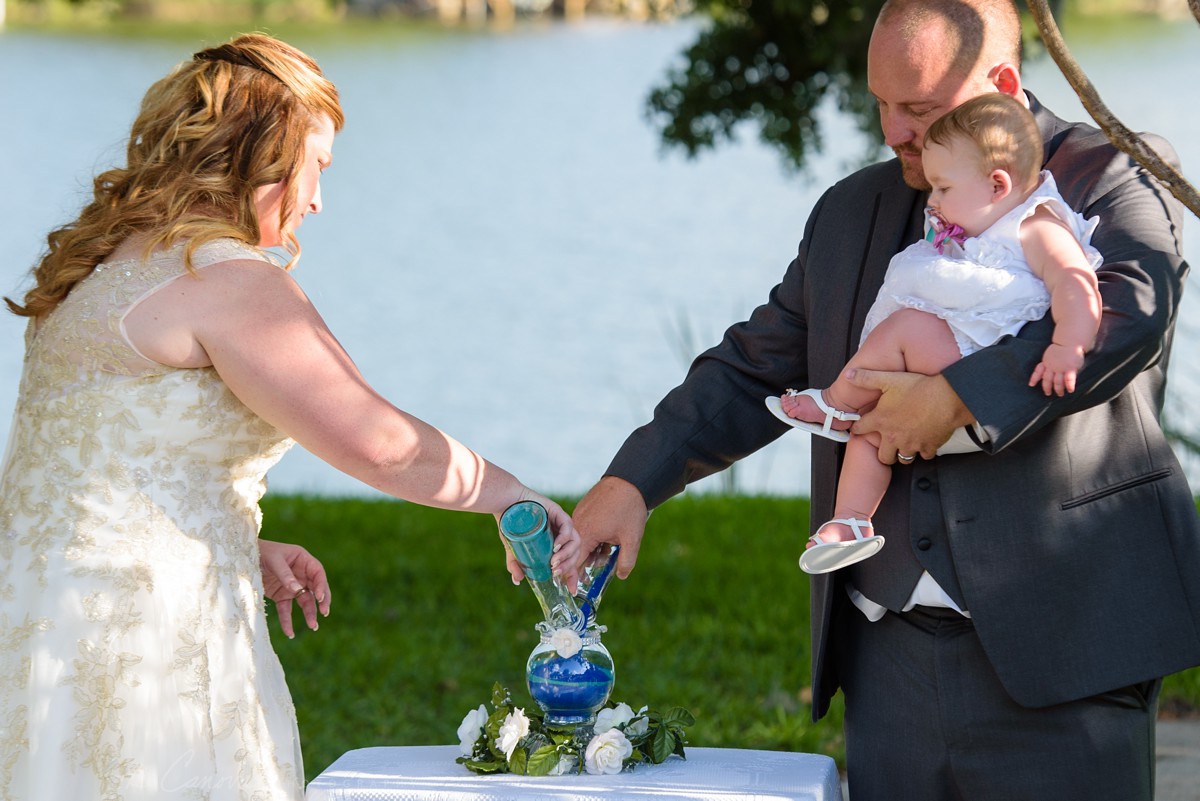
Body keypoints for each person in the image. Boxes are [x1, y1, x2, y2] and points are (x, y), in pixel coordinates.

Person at [569, 1, 1200, 799]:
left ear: (1000, 82)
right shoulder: (848, 212)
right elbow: (754, 363)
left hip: (1067, 653)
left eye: (920, 109)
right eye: (881, 102)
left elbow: (1134, 309)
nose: (893, 131)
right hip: (887, 660)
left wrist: (956, 398)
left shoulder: (1112, 174)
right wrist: (635, 481)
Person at [0, 34, 578, 800]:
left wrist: (231, 533)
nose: (317, 199)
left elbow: (85, 468)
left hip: (37, 629)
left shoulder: (97, 271)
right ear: (260, 155)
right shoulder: (226, 280)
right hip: (148, 646)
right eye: (317, 166)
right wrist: (510, 495)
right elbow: (381, 447)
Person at [770, 92, 1102, 574]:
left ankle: (837, 402)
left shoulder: (1035, 225)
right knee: (876, 424)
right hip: (951, 358)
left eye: (943, 188)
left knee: (904, 327)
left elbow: (1076, 282)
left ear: (997, 185)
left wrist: (1068, 345)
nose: (934, 201)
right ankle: (851, 523)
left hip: (983, 362)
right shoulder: (977, 224)